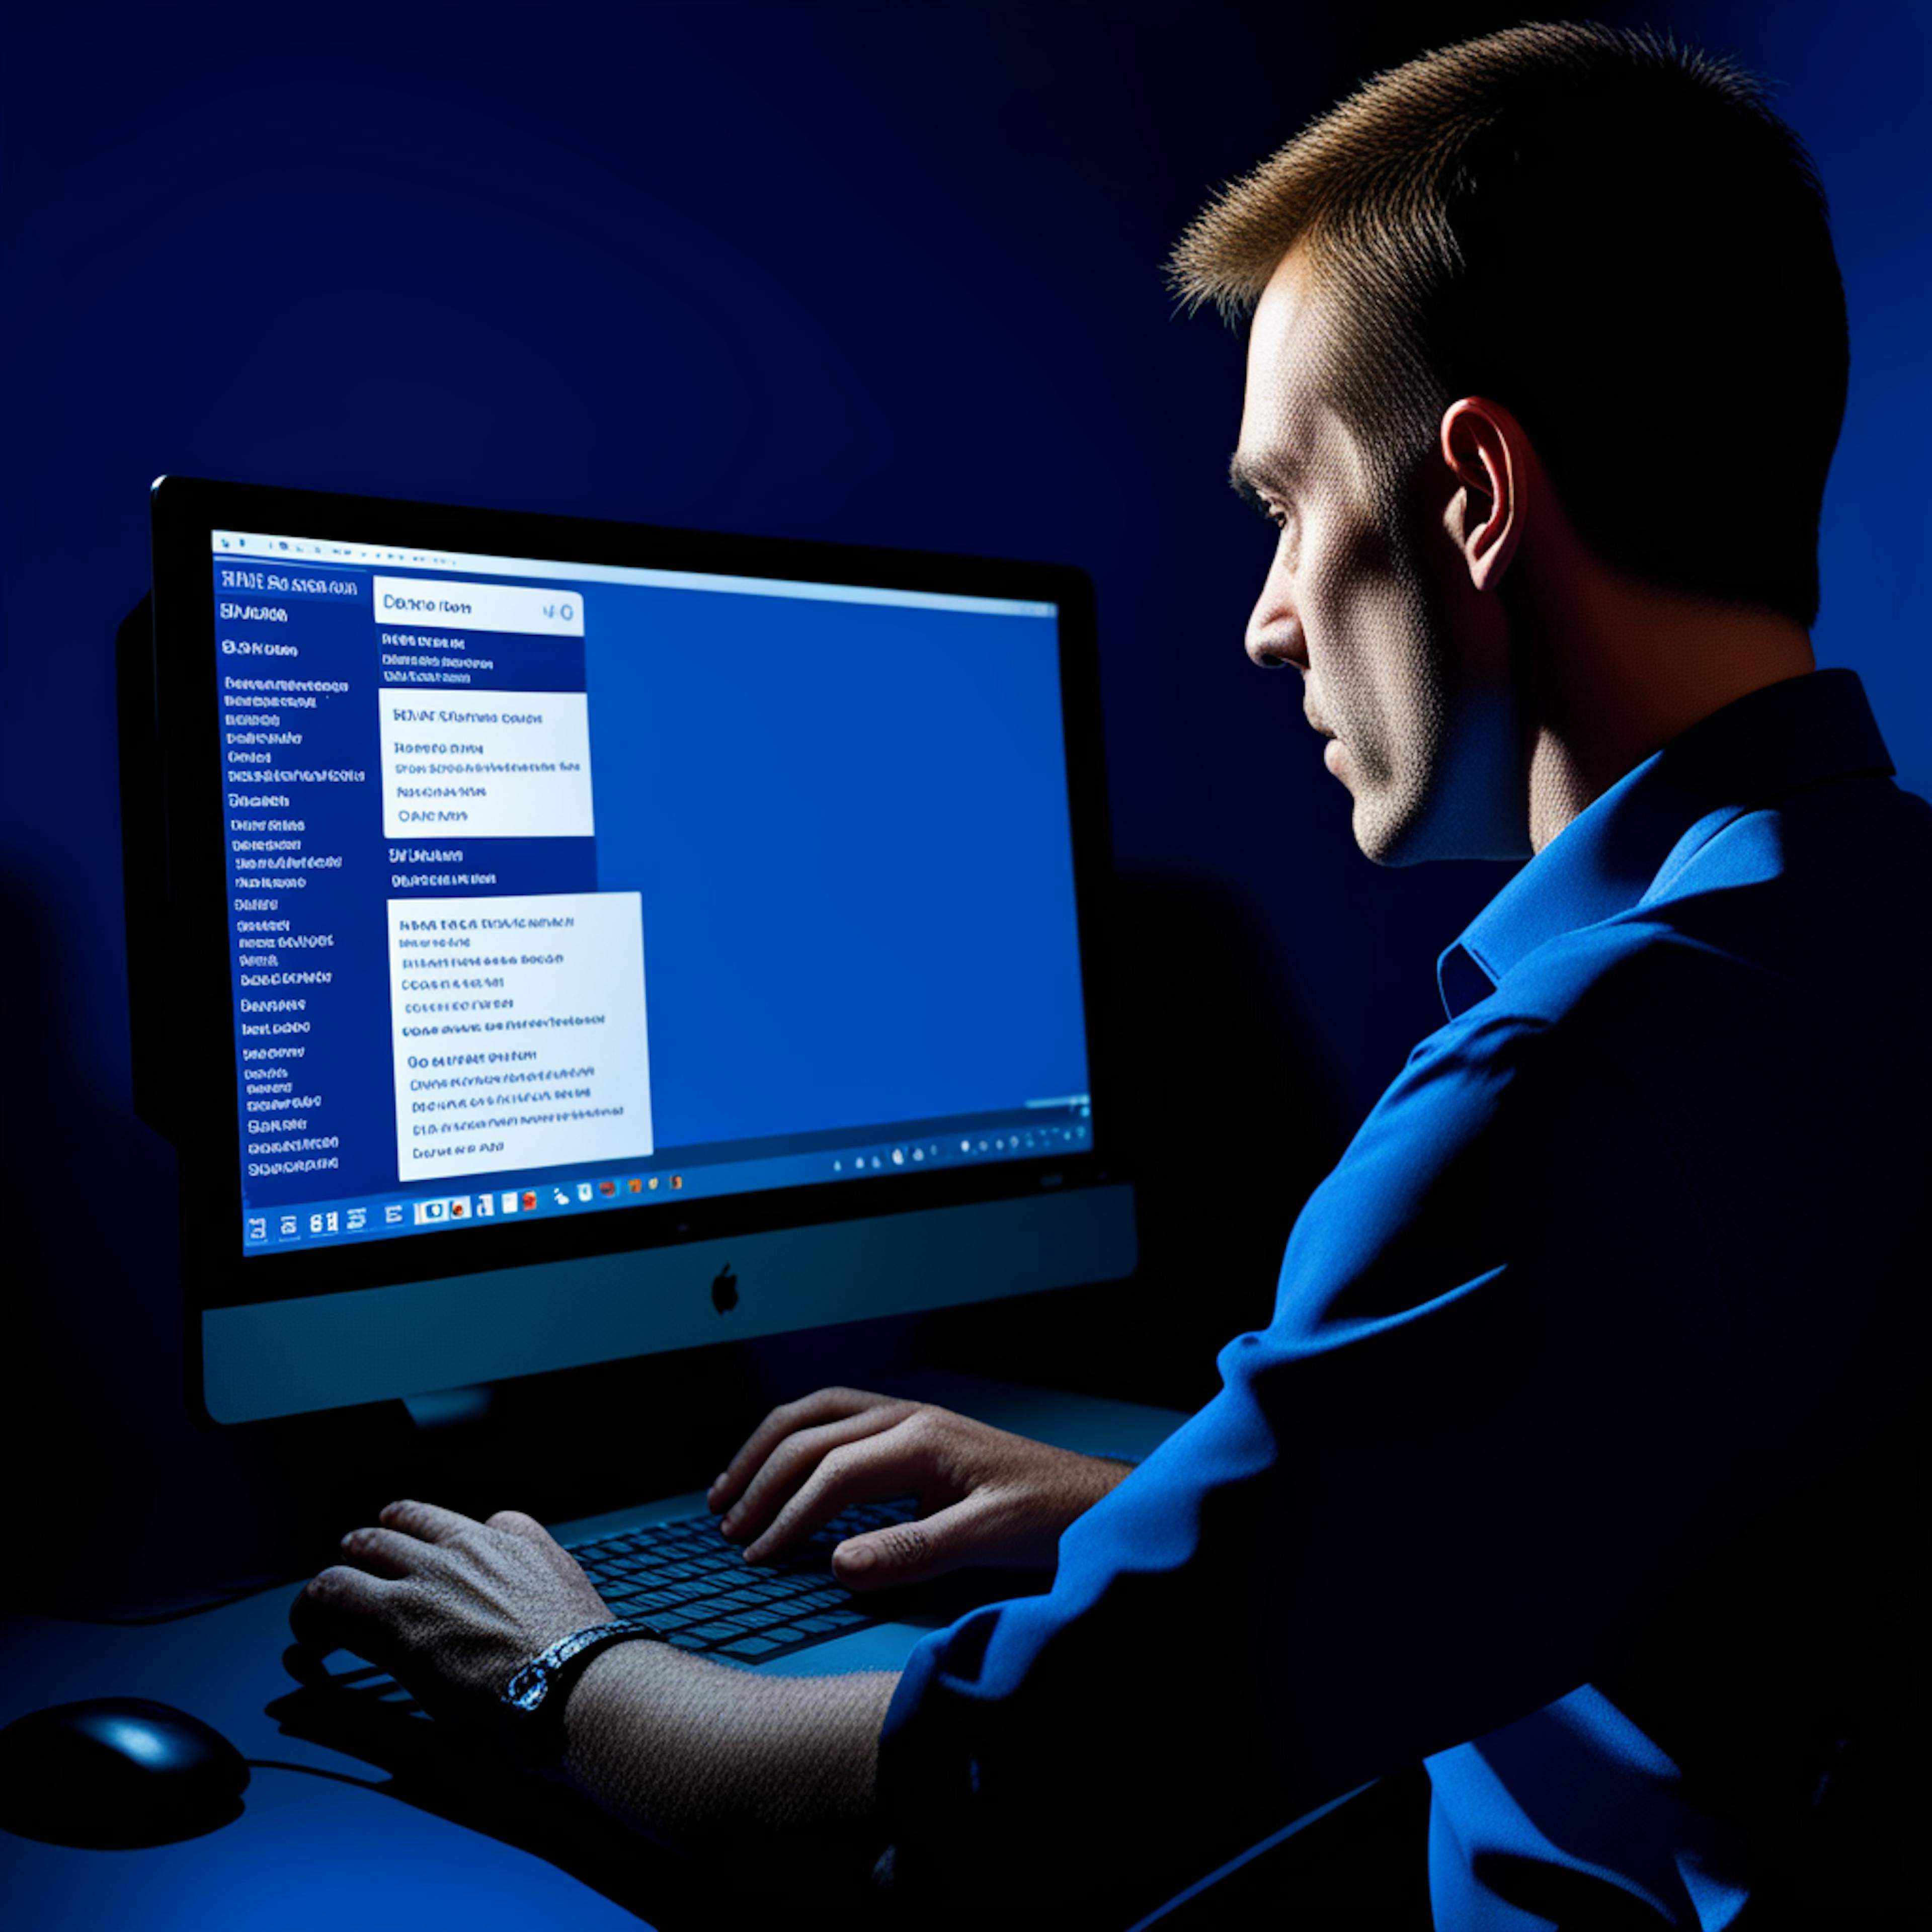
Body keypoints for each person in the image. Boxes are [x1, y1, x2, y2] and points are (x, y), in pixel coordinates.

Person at [292, 23, 1930, 1927]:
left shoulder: (1565, 1094)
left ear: (1476, 494)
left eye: (1282, 505)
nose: (1263, 620)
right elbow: (1665, 1530)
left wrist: (552, 1659)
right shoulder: (1864, 930)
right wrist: (1148, 1529)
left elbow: (968, 1805)